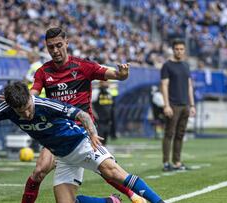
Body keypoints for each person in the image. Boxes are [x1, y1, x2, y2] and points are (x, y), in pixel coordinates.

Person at [0, 82, 165, 203]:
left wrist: (92, 133)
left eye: (29, 108)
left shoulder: (45, 104)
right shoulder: (8, 109)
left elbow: (81, 115)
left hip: (82, 144)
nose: (27, 114)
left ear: (32, 99)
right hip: (63, 157)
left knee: (113, 172)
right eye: (22, 111)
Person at [24, 27, 145, 203]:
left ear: (67, 43)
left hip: (84, 131)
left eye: (59, 45)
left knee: (105, 169)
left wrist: (122, 74)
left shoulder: (83, 66)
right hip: (57, 132)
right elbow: (33, 93)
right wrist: (20, 99)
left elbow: (114, 74)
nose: (55, 50)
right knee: (39, 171)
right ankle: (111, 202)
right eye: (51, 47)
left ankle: (133, 195)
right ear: (46, 47)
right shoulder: (43, 71)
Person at [160, 39, 196, 171]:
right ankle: (166, 163)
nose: (179, 51)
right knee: (169, 133)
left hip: (185, 105)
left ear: (184, 50)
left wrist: (192, 105)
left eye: (181, 49)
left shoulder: (186, 65)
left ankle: (177, 162)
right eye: (177, 49)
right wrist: (166, 105)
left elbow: (189, 86)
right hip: (173, 105)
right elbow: (164, 85)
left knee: (180, 134)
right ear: (173, 49)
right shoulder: (167, 66)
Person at [92, 80, 115, 145]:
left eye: (107, 82)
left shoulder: (109, 92)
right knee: (99, 140)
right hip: (99, 121)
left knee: (105, 140)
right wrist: (95, 116)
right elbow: (91, 105)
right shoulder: (95, 92)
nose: (106, 83)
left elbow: (110, 107)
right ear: (100, 83)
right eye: (104, 82)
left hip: (107, 121)